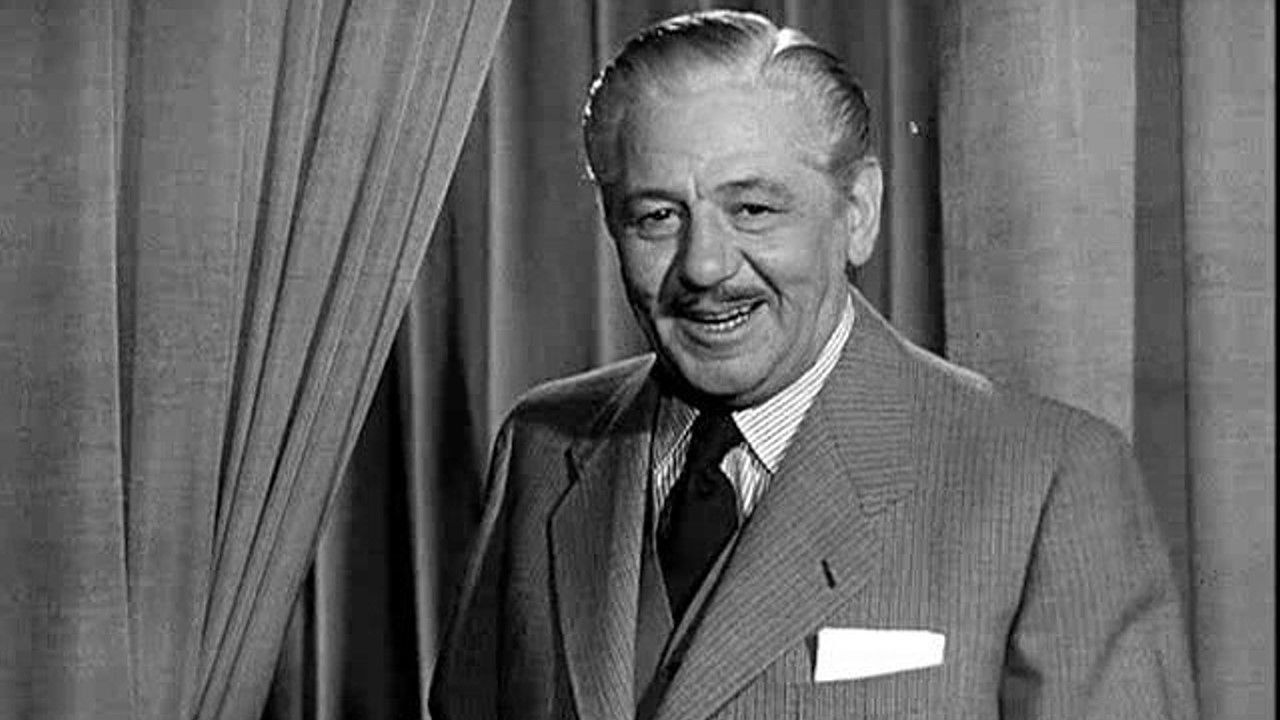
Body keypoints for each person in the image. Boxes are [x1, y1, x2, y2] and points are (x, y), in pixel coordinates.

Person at [429, 10, 1197, 720]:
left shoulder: (1047, 482)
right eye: (657, 217)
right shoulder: (543, 449)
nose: (704, 265)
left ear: (857, 212)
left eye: (753, 209)